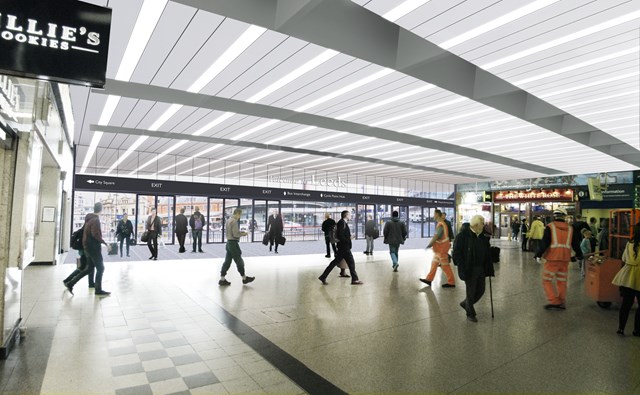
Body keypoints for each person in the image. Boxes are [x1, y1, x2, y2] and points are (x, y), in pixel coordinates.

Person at [535, 207, 582, 310]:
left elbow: (544, 243)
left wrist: (538, 254)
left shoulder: (550, 227)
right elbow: (576, 244)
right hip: (565, 260)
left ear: (555, 216)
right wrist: (579, 255)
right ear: (564, 217)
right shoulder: (570, 229)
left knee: (546, 280)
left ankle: (554, 301)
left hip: (552, 258)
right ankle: (561, 301)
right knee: (562, 281)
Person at [452, 215, 495, 322]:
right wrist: (462, 264)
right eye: (482, 223)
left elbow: (487, 252)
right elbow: (456, 253)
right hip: (469, 268)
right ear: (476, 225)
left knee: (481, 290)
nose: (483, 225)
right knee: (470, 292)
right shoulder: (462, 236)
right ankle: (470, 312)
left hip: (481, 268)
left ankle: (466, 303)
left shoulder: (483, 237)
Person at [65, 202, 112, 296]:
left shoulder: (89, 219)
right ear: (101, 210)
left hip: (87, 247)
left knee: (89, 268)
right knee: (101, 268)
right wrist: (105, 243)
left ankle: (70, 283)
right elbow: (95, 234)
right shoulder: (95, 220)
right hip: (93, 248)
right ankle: (98, 290)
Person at [318, 210, 363, 285]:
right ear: (346, 215)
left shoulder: (343, 222)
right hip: (344, 247)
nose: (351, 216)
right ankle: (355, 279)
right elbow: (340, 235)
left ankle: (323, 276)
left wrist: (349, 237)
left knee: (334, 262)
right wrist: (349, 238)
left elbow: (342, 235)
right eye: (350, 215)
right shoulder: (342, 223)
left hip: (342, 247)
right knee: (351, 262)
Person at [611, 223, 640, 337]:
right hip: (638, 276)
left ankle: (621, 328)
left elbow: (623, 258)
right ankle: (637, 330)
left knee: (626, 304)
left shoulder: (629, 243)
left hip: (627, 275)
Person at [218, 208, 254, 286]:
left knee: (227, 262)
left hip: (228, 243)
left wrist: (239, 232)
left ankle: (222, 279)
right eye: (240, 215)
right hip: (233, 244)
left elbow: (232, 232)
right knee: (239, 260)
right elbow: (236, 234)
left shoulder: (228, 220)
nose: (240, 216)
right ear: (237, 213)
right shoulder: (234, 221)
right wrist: (244, 233)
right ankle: (244, 278)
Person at [421, 209, 455, 288]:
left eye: (434, 214)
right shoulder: (442, 224)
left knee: (445, 266)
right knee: (434, 263)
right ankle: (429, 279)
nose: (433, 216)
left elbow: (436, 236)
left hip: (442, 249)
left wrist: (429, 245)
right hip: (440, 250)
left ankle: (451, 282)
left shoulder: (440, 225)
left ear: (437, 214)